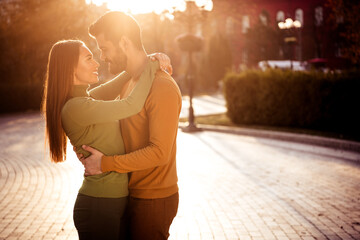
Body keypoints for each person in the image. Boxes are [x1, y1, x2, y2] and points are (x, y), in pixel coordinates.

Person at [42, 39, 171, 239]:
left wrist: (146, 59)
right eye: (89, 59)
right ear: (70, 69)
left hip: (111, 202)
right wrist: (153, 64)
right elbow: (131, 105)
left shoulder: (86, 100)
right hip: (99, 205)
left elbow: (119, 82)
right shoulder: (76, 108)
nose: (97, 64)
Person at [79, 11, 182, 240]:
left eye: (104, 48)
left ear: (124, 42)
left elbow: (159, 153)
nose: (103, 57)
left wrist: (104, 164)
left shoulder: (161, 87)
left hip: (154, 199)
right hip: (133, 193)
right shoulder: (131, 81)